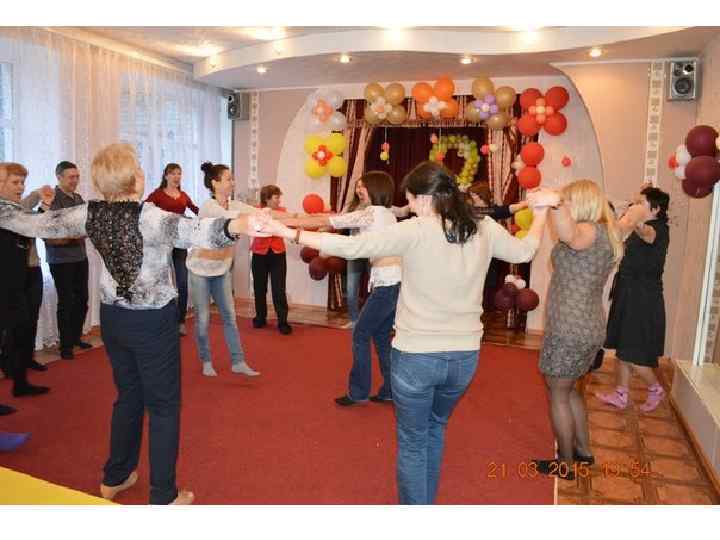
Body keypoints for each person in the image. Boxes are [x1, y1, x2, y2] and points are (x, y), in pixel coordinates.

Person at [254, 161, 551, 504]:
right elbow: (525, 251)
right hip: (464, 358)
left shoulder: (417, 229)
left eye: (409, 200)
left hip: (416, 357)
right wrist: (540, 213)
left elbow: (351, 248)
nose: (408, 207)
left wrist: (288, 232)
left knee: (413, 442)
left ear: (424, 198)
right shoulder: (482, 226)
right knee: (435, 429)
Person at [0, 144, 262, 505]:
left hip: (114, 319)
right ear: (132, 176)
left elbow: (29, 223)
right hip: (151, 321)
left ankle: (116, 476)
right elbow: (201, 232)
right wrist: (240, 224)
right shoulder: (149, 216)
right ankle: (163, 496)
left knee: (129, 396)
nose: (141, 170)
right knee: (164, 406)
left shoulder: (89, 213)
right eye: (138, 166)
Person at [532, 180, 639, 481]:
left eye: (568, 200)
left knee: (558, 394)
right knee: (570, 391)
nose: (565, 205)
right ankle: (583, 451)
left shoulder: (588, 231)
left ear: (579, 202)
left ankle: (565, 465)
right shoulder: (607, 232)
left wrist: (555, 201)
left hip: (569, 329)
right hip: (587, 326)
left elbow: (568, 234)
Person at [282, 171, 401, 406]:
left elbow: (327, 221)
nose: (358, 190)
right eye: (358, 186)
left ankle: (359, 392)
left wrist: (286, 225)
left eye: (362, 186)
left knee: (360, 334)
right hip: (393, 283)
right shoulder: (389, 215)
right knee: (380, 337)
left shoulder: (370, 214)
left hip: (387, 286)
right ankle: (389, 390)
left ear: (376, 188)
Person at [596, 186, 670, 412]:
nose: (635, 206)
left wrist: (634, 220)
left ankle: (656, 389)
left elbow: (648, 235)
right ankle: (621, 394)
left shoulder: (659, 229)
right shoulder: (638, 228)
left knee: (633, 353)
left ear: (655, 209)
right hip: (627, 293)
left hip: (643, 298)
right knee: (622, 347)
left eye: (641, 203)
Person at [187, 162, 260, 378]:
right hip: (200, 270)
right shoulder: (209, 207)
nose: (233, 182)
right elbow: (233, 217)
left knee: (230, 316)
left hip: (221, 270)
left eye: (232, 178)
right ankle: (206, 360)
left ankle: (238, 361)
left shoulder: (233, 205)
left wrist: (285, 216)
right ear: (215, 183)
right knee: (203, 320)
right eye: (228, 179)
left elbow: (255, 212)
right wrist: (256, 217)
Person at [0, 162, 51, 402]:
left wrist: (44, 208)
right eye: (15, 182)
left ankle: (20, 384)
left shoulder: (14, 210)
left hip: (16, 281)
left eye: (22, 182)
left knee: (22, 330)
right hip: (5, 283)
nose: (20, 187)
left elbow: (30, 228)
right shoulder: (4, 211)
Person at [146, 164, 199, 336]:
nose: (177, 177)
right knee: (160, 283)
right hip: (161, 244)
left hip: (179, 244)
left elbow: (197, 211)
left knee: (182, 283)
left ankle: (180, 321)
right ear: (166, 176)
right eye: (173, 173)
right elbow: (144, 211)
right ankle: (158, 321)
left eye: (179, 174)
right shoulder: (157, 194)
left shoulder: (183, 195)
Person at [45, 161, 91, 360]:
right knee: (66, 302)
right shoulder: (52, 200)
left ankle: (74, 337)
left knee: (82, 299)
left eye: (77, 177)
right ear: (59, 177)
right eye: (71, 177)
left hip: (80, 256)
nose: (75, 180)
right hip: (61, 259)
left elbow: (85, 224)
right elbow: (52, 231)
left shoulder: (78, 198)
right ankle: (65, 345)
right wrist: (74, 232)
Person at [251, 185, 293, 335]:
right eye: (276, 197)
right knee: (259, 288)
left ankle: (282, 322)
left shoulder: (282, 212)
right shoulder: (255, 211)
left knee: (279, 289)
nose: (279, 200)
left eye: (279, 197)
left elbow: (290, 226)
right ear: (267, 199)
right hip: (259, 255)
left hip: (278, 254)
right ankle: (260, 318)